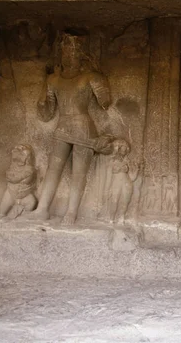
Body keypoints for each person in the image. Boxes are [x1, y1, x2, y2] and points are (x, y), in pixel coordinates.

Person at [27, 32, 112, 225]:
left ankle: (71, 213)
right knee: (53, 169)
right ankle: (42, 209)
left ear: (81, 55)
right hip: (63, 126)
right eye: (66, 51)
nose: (69, 56)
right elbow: (46, 112)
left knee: (78, 173)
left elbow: (106, 103)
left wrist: (99, 77)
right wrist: (45, 90)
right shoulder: (53, 80)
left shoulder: (90, 77)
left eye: (74, 52)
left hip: (83, 127)